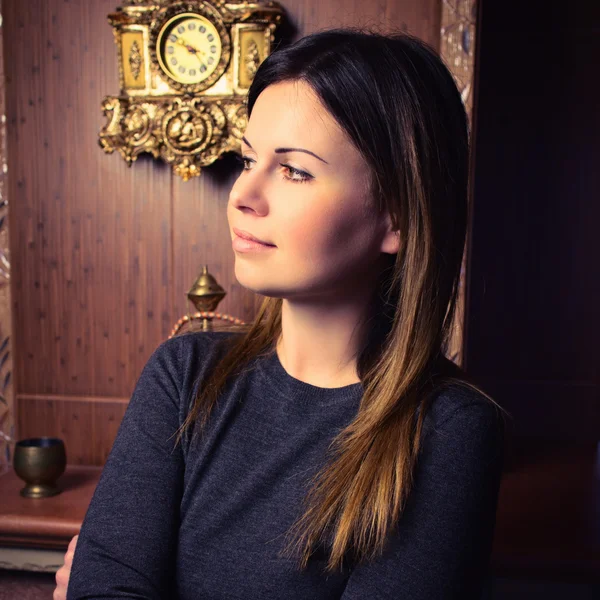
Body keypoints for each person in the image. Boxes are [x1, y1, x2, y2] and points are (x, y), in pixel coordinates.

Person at [55, 27, 507, 600]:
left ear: (396, 216)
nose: (243, 193)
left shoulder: (449, 430)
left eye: (294, 170)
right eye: (248, 159)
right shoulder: (183, 375)